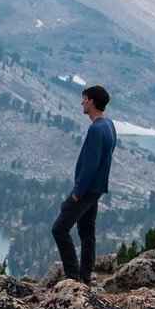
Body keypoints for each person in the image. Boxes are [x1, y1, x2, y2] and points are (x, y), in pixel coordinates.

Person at [53, 84, 116, 284]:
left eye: (84, 99)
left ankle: (73, 278)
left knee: (59, 229)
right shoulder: (109, 124)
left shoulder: (96, 129)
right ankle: (85, 277)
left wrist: (77, 193)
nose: (82, 102)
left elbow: (91, 164)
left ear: (92, 101)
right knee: (87, 232)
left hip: (86, 190)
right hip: (96, 189)